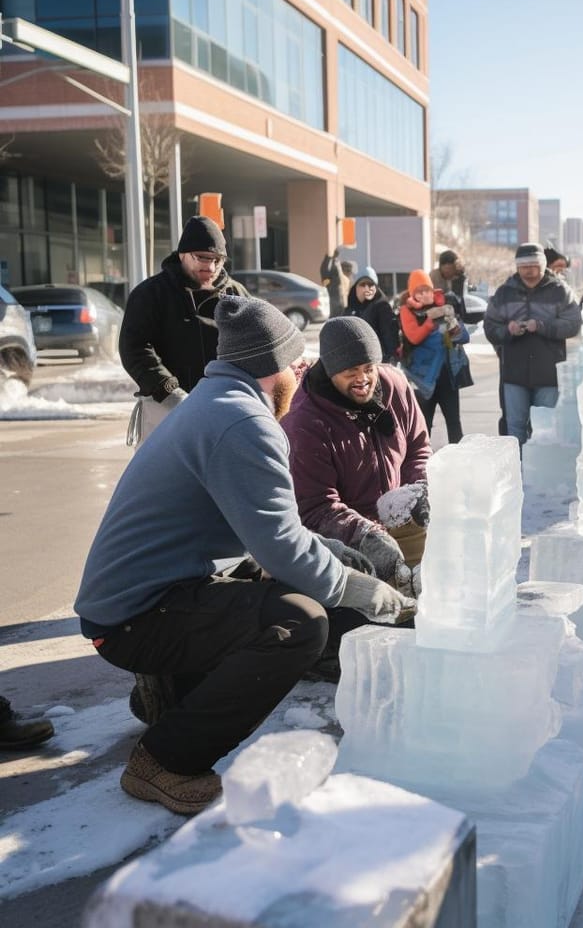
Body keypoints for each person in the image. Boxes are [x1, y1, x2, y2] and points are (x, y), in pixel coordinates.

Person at [75, 296, 414, 815]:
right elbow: (281, 547)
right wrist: (365, 591)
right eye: (296, 363)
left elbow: (261, 527)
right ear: (272, 368)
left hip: (146, 597)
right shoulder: (243, 425)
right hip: (135, 616)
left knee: (279, 584)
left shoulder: (217, 403)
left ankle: (172, 695)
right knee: (299, 623)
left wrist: (331, 548)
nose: (302, 374)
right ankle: (165, 761)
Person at [281, 316, 432, 584]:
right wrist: (365, 536)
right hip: (344, 544)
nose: (363, 379)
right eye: (350, 372)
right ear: (330, 371)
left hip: (397, 520)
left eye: (368, 368)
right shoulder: (306, 421)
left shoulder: (395, 385)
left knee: (429, 594)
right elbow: (316, 506)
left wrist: (417, 488)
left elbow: (417, 447)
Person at [119, 216, 247, 445]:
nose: (210, 266)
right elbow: (134, 347)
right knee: (162, 478)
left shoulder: (236, 294)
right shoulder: (151, 293)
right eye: (201, 258)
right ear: (182, 254)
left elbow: (256, 345)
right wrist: (168, 391)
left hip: (223, 407)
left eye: (217, 260)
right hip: (165, 406)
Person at [483, 243, 582, 446]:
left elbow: (573, 324)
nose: (529, 271)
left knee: (546, 429)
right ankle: (516, 474)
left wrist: (542, 326)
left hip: (548, 374)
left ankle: (542, 475)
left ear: (543, 264)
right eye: (524, 266)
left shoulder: (559, 290)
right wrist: (507, 331)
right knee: (514, 429)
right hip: (513, 373)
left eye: (534, 265)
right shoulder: (504, 293)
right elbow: (490, 327)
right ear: (517, 267)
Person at [398, 269, 471, 444]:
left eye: (427, 290)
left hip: (447, 375)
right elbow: (414, 337)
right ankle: (421, 466)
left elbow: (464, 337)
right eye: (419, 291)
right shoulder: (407, 311)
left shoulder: (445, 307)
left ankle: (459, 463)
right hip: (423, 378)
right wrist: (431, 322)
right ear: (412, 294)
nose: (424, 295)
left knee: (454, 422)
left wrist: (453, 326)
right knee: (423, 426)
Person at [343, 265, 399, 362]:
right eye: (362, 284)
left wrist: (390, 359)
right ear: (355, 287)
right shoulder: (350, 308)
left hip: (375, 361)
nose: (366, 288)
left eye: (370, 284)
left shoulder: (382, 306)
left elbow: (390, 337)